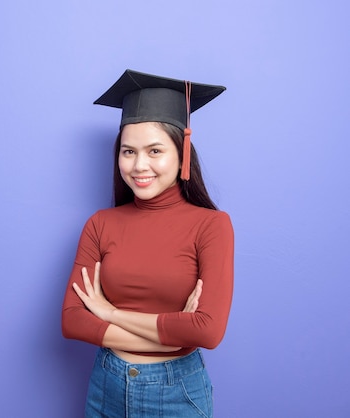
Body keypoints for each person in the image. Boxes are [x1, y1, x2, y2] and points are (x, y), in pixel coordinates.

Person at [61, 69, 234, 418]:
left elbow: (208, 331)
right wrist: (174, 334)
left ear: (182, 152)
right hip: (106, 386)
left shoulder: (212, 225)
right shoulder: (100, 224)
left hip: (176, 393)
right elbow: (73, 320)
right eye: (128, 151)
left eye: (155, 150)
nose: (139, 165)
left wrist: (109, 313)